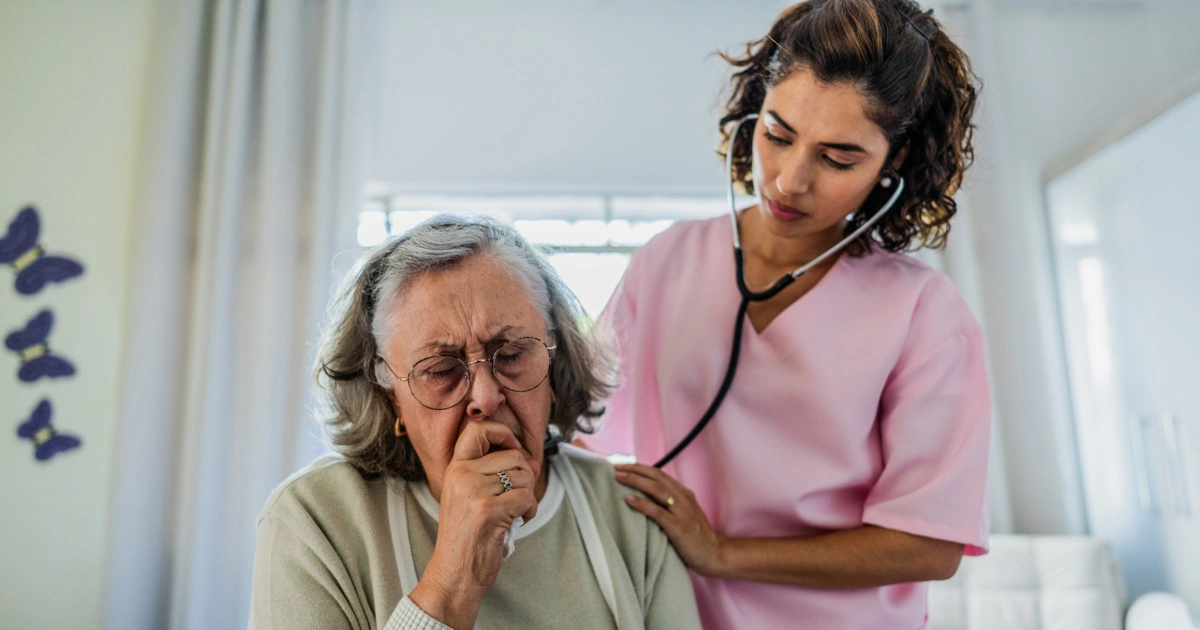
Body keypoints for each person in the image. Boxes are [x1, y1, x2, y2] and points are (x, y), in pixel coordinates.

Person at [583, 0, 991, 628]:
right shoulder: (666, 263)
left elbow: (929, 543)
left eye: (838, 158)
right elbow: (577, 425)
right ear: (753, 111)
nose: (789, 180)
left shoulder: (924, 314)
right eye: (777, 133)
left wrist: (722, 553)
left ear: (896, 161)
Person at [249, 216, 700, 629]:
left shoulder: (632, 514)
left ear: (555, 365)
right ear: (390, 399)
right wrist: (452, 583)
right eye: (441, 370)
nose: (486, 397)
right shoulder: (313, 523)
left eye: (512, 355)